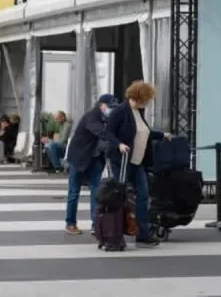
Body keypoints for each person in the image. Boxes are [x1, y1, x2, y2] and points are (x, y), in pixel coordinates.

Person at [105, 80, 168, 247]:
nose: (147, 103)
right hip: (122, 161)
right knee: (120, 196)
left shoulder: (139, 111)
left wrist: (162, 135)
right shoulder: (120, 111)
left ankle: (143, 234)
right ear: (139, 97)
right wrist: (118, 144)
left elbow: (144, 132)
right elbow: (108, 132)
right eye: (146, 99)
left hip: (138, 161)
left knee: (143, 195)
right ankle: (116, 234)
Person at [63, 94, 117, 235]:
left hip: (95, 159)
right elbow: (101, 132)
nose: (112, 110)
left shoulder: (107, 118)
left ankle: (96, 224)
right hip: (79, 158)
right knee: (74, 192)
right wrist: (116, 139)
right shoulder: (91, 117)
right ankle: (70, 223)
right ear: (101, 105)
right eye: (110, 107)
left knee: (96, 192)